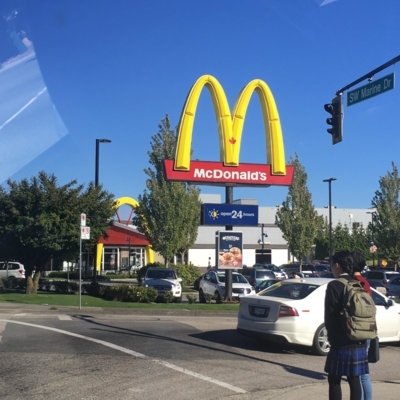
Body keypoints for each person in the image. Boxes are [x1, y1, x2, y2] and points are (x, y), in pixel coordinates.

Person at [324, 250, 368, 400]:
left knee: (334, 379)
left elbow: (330, 316)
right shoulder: (358, 283)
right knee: (354, 379)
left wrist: (331, 337)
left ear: (337, 265)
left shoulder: (334, 285)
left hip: (341, 341)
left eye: (331, 265)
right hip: (359, 338)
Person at [351, 251, 374, 400]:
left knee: (358, 375)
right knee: (364, 374)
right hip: (368, 329)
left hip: (357, 330)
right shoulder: (366, 282)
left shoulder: (353, 282)